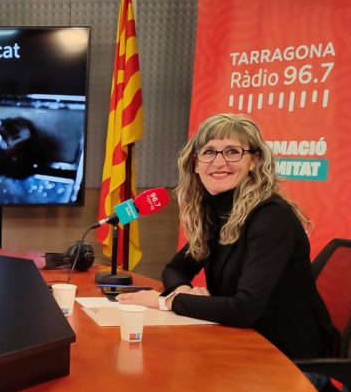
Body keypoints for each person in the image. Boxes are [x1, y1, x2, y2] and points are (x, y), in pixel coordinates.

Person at [117, 113, 336, 361]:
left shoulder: (271, 217)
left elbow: (244, 309)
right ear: (196, 163)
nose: (219, 162)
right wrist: (184, 289)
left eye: (232, 151)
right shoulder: (219, 211)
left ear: (254, 160)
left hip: (289, 360)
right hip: (241, 343)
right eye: (209, 151)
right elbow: (175, 268)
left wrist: (168, 301)